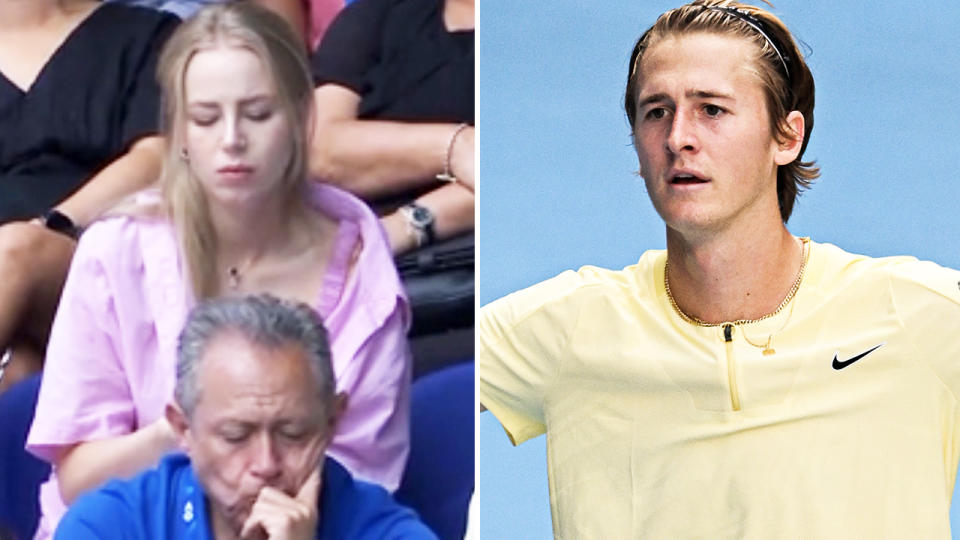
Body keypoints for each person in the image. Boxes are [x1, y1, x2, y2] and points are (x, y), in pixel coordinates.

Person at [478, 1, 960, 538]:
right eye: (656, 111)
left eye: (711, 109)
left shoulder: (919, 312)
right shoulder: (568, 327)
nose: (678, 137)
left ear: (787, 137)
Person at [27, 3, 410, 537]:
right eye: (206, 118)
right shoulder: (114, 250)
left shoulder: (359, 263)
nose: (232, 138)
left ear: (302, 119)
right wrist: (196, 434)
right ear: (179, 133)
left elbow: (363, 477)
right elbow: (77, 479)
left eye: (257, 113)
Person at [54, 295, 435, 540]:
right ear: (182, 427)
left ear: (332, 422)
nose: (266, 465)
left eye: (293, 433)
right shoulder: (109, 525)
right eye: (236, 436)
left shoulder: (386, 532)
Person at [0, 0, 177, 393]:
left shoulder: (145, 35)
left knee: (15, 250)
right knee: (22, 375)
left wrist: (53, 224)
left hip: (96, 253)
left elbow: (156, 157)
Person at [310, 0, 475, 350]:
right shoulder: (377, 13)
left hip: (469, 284)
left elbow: (512, 167)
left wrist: (405, 226)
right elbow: (318, 149)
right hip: (350, 283)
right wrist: (456, 146)